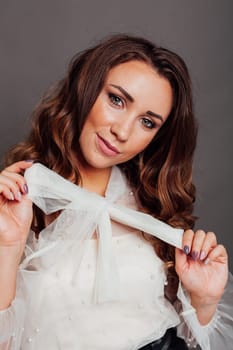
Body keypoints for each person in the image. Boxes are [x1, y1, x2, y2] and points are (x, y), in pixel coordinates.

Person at [0, 34, 232, 350]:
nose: (122, 132)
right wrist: (8, 246)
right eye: (117, 100)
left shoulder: (153, 205)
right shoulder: (18, 202)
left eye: (147, 122)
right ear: (86, 87)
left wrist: (203, 302)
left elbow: (184, 335)